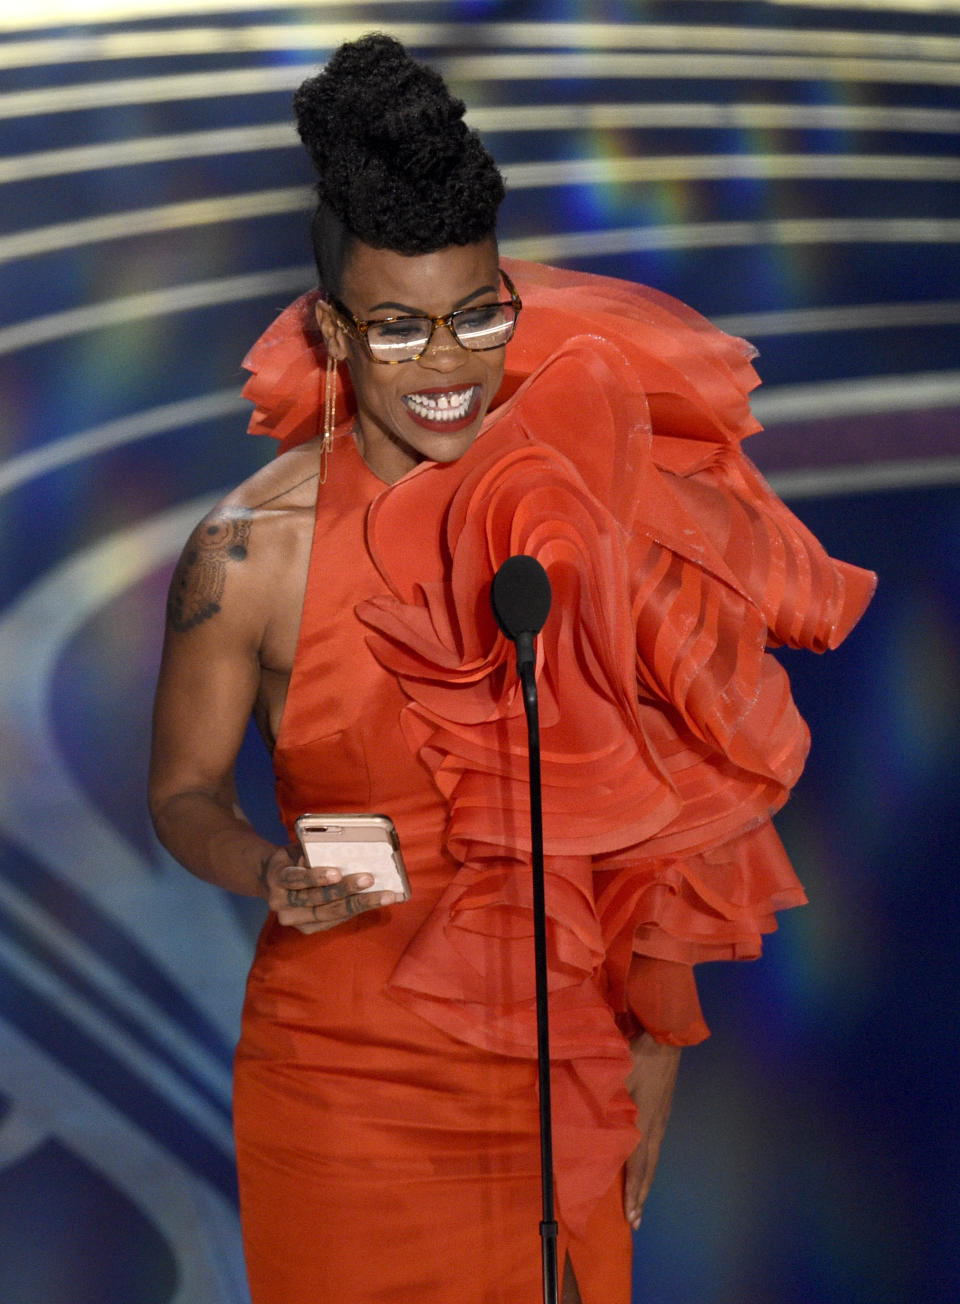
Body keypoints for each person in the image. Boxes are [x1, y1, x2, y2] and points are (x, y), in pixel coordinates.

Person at [148, 33, 875, 1304]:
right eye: (401, 328)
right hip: (343, 1082)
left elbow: (668, 790)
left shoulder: (580, 506)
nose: (449, 365)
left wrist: (656, 1032)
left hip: (559, 1069)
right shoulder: (247, 553)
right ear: (332, 324)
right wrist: (265, 865)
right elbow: (182, 792)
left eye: (480, 314)